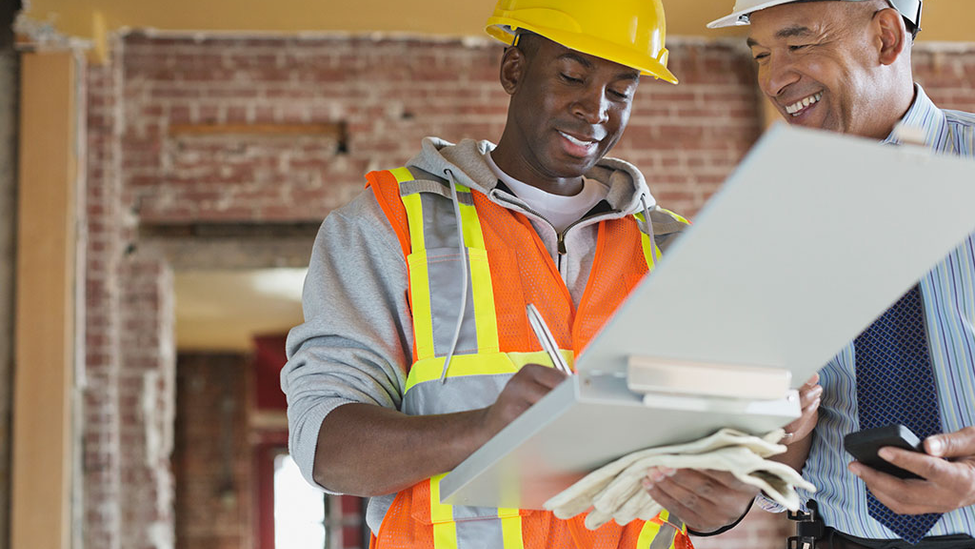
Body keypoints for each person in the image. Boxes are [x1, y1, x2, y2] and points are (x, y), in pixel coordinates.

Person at [279, 1, 766, 547]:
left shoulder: (676, 250)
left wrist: (724, 502)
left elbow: (711, 465)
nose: (595, 109)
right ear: (513, 69)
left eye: (621, 90)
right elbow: (328, 450)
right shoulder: (389, 224)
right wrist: (484, 430)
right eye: (572, 76)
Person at [697, 0, 975, 547]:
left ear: (886, 37)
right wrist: (779, 429)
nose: (775, 79)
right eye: (761, 55)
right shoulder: (760, 221)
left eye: (799, 45)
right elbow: (782, 455)